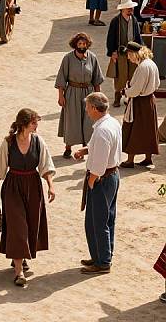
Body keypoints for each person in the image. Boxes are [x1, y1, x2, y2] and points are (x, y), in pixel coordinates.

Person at [0, 109, 55, 287]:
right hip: (13, 188)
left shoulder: (38, 141)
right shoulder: (8, 142)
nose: (37, 126)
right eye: (34, 123)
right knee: (17, 226)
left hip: (33, 187)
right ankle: (19, 272)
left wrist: (50, 185)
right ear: (24, 124)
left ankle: (20, 257)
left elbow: (45, 165)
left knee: (31, 224)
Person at [73, 92, 121, 275]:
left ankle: (102, 262)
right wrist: (85, 151)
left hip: (101, 179)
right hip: (112, 176)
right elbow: (105, 149)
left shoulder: (102, 131)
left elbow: (99, 164)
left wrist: (92, 180)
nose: (86, 111)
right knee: (107, 219)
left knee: (96, 223)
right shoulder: (111, 123)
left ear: (94, 108)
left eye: (87, 107)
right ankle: (103, 255)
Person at [55, 33, 104, 159]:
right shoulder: (68, 58)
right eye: (80, 44)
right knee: (72, 120)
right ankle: (68, 148)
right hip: (72, 92)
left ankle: (85, 148)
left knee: (88, 121)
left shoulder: (92, 58)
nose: (82, 46)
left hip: (89, 93)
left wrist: (98, 97)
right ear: (75, 45)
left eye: (84, 44)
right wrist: (61, 96)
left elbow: (97, 79)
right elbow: (61, 78)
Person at [120, 42, 160, 168]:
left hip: (140, 102)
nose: (128, 57)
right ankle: (148, 159)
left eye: (128, 54)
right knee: (148, 130)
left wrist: (126, 91)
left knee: (133, 129)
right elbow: (157, 83)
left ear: (134, 54)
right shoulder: (151, 64)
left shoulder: (143, 67)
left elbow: (136, 89)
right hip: (149, 100)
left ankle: (130, 160)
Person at [106, 0, 143, 107]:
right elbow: (110, 38)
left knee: (132, 75)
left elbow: (137, 36)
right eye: (128, 8)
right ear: (122, 9)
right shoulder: (115, 21)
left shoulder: (134, 20)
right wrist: (112, 52)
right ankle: (117, 97)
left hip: (132, 53)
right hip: (120, 53)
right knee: (120, 76)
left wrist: (141, 49)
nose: (130, 10)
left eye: (131, 8)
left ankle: (129, 97)